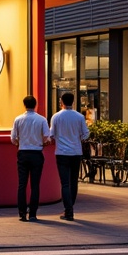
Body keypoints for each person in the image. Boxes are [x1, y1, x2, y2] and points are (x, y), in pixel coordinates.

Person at [10, 95, 51, 222]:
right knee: (35, 184)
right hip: (37, 153)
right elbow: (47, 138)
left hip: (23, 153)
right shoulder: (42, 120)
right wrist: (42, 143)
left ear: (24, 105)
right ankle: (33, 213)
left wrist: (19, 143)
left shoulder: (18, 119)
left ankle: (22, 213)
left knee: (22, 184)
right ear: (36, 104)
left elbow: (13, 138)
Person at [49, 92, 89, 221]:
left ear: (61, 101)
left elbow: (51, 134)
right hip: (76, 152)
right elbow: (86, 134)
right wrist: (78, 138)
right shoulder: (79, 117)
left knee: (65, 183)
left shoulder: (56, 117)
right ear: (73, 101)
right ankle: (71, 207)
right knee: (73, 182)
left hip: (61, 152)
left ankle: (68, 210)